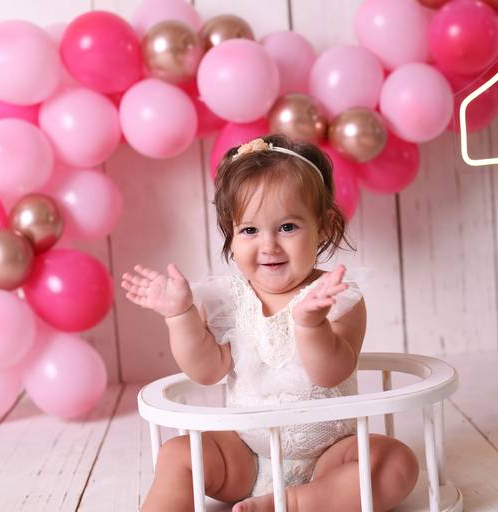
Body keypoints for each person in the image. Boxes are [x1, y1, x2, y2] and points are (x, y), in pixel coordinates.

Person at [122, 134, 419, 512]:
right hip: (246, 455)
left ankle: (295, 503)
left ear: (323, 226)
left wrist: (311, 325)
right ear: (231, 235)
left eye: (288, 227)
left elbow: (331, 373)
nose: (269, 245)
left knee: (395, 463)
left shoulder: (336, 297)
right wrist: (179, 315)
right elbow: (207, 371)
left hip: (328, 458)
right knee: (179, 454)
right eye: (250, 230)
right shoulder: (226, 299)